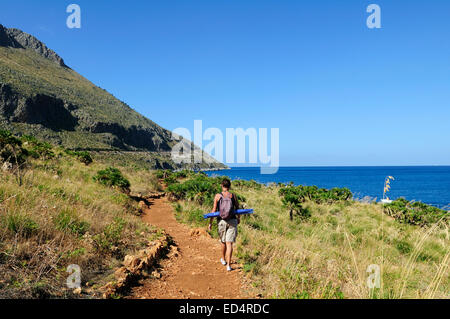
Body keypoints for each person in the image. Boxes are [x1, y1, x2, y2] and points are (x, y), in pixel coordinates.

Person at [208, 178, 240, 271]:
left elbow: (214, 210)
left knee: (223, 241)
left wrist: (210, 222)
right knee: (229, 243)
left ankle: (223, 259)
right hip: (232, 220)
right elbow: (237, 208)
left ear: (222, 185)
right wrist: (238, 218)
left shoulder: (218, 196)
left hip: (221, 221)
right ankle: (228, 266)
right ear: (229, 186)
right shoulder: (233, 196)